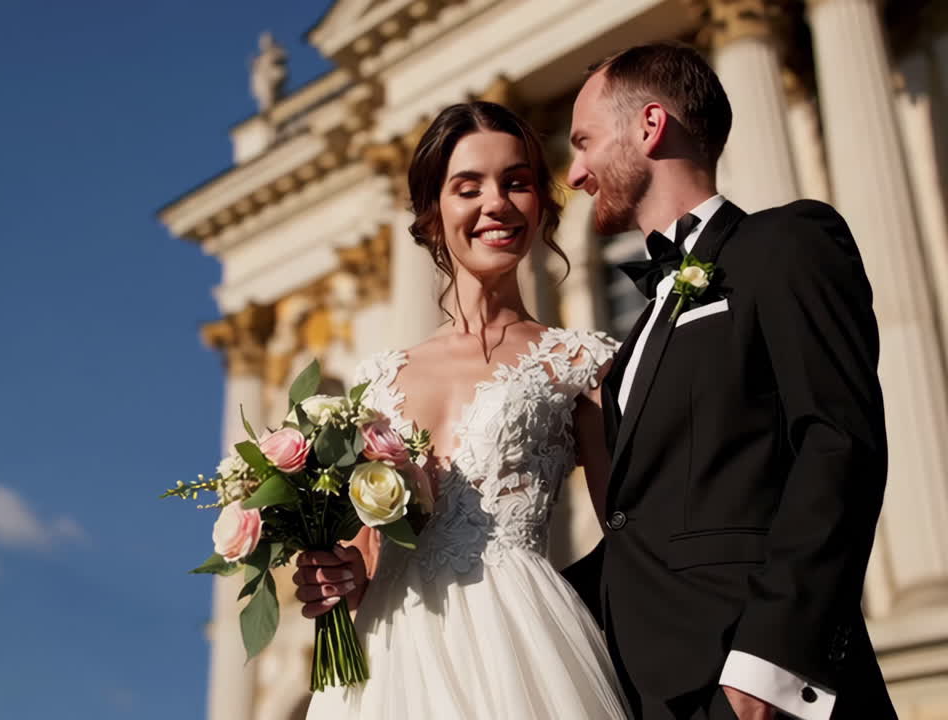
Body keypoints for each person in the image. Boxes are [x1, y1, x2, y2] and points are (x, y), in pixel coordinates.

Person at [564, 43, 896, 719]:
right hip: (655, 692)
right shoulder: (631, 347)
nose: (574, 174)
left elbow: (838, 443)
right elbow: (644, 530)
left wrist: (769, 665)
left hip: (760, 685)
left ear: (650, 126)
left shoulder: (784, 244)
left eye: (585, 142)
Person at [295, 101, 630, 719]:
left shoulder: (582, 363)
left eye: (517, 182)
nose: (496, 204)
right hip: (387, 659)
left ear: (541, 205)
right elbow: (368, 553)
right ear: (433, 213)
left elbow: (629, 538)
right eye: (468, 187)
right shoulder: (376, 380)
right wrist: (338, 578)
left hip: (524, 650)